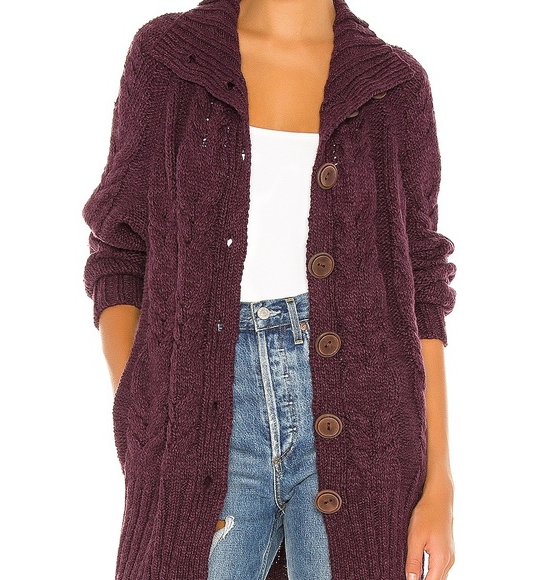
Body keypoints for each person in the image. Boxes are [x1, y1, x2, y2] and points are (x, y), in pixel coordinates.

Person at [82, 0, 457, 578]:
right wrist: (145, 405)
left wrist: (439, 485)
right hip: (197, 411)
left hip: (369, 427)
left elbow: (422, 293)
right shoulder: (169, 59)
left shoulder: (394, 87)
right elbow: (120, 251)